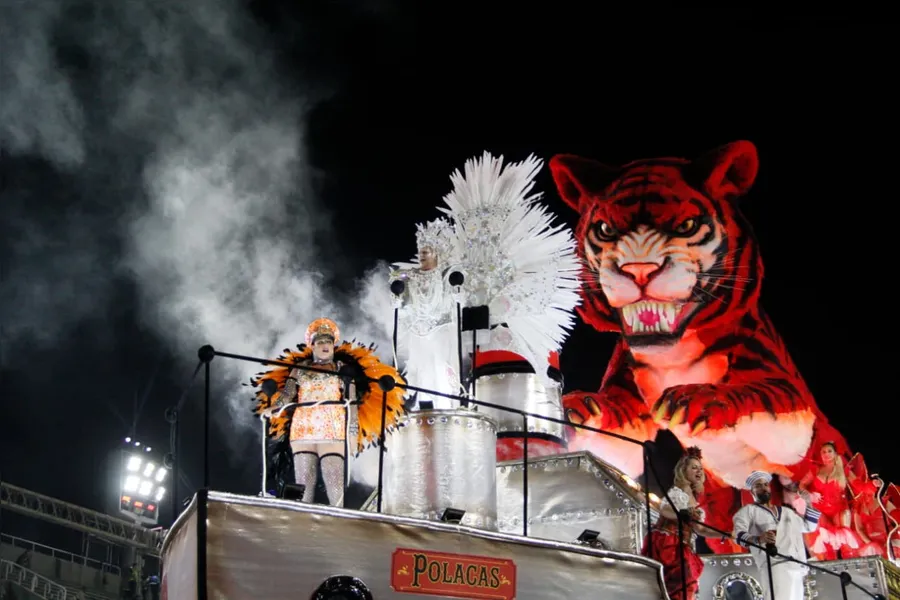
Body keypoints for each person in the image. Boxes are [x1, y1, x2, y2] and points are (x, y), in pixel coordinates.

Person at [252, 317, 407, 506]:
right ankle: (305, 523)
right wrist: (274, 408)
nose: (325, 345)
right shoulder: (299, 370)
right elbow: (287, 394)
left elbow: (351, 403)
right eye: (320, 342)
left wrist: (352, 431)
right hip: (303, 430)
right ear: (312, 346)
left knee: (334, 481)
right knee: (304, 483)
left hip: (332, 429)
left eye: (329, 342)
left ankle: (338, 523)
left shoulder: (342, 370)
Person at [390, 217, 464, 409]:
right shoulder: (410, 276)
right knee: (420, 375)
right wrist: (397, 299)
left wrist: (458, 295)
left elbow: (457, 299)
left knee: (441, 372)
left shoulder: (445, 275)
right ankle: (422, 414)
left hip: (440, 330)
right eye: (420, 252)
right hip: (418, 332)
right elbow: (401, 300)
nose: (421, 255)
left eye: (426, 251)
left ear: (436, 253)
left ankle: (447, 409)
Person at [642, 447, 718, 600]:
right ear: (684, 471)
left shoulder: (693, 497)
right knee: (678, 585)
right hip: (668, 543)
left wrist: (727, 534)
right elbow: (665, 510)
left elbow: (700, 529)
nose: (699, 471)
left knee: (685, 587)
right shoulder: (678, 492)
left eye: (700, 468)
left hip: (683, 546)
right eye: (694, 467)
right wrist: (681, 514)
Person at [733, 471, 821, 600]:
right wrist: (758, 539)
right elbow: (739, 535)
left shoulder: (787, 512)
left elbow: (809, 526)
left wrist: (808, 503)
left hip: (797, 565)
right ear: (751, 491)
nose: (763, 488)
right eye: (758, 485)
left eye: (765, 484)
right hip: (775, 566)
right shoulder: (748, 511)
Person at [798, 441, 860, 559]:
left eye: (829, 451)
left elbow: (858, 484)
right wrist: (810, 495)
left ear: (835, 453)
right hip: (820, 510)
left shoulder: (844, 470)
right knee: (826, 538)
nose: (826, 454)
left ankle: (852, 567)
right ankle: (833, 568)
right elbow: (801, 486)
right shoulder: (815, 470)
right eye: (823, 452)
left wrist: (872, 484)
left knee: (844, 537)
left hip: (839, 509)